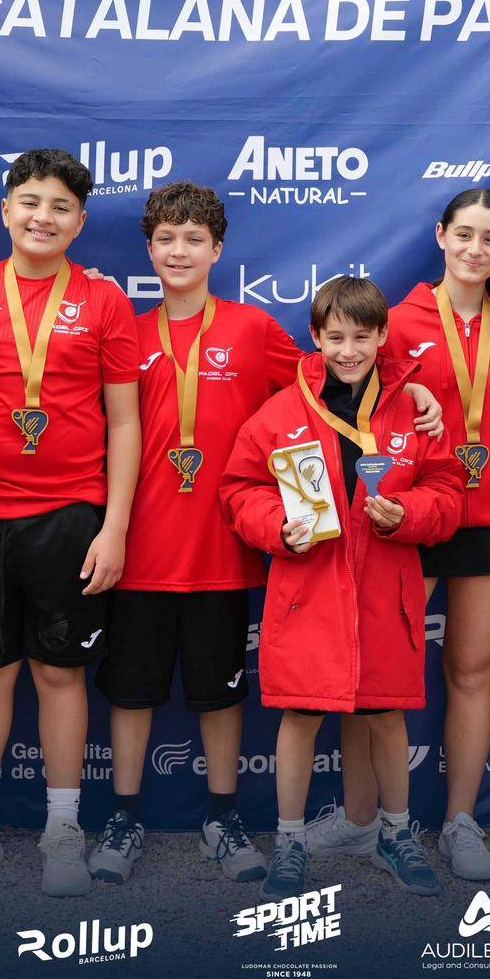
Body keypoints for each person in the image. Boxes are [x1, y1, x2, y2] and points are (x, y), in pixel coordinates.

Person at [87, 184, 444, 887]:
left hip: (224, 556)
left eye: (195, 239)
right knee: (130, 692)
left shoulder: (253, 330)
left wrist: (415, 389)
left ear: (218, 249)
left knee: (222, 696)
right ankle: (124, 816)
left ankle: (224, 819)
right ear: (149, 249)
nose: (180, 252)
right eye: (166, 239)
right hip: (137, 550)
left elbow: (328, 385)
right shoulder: (124, 327)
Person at [0, 149, 142, 898]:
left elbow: (125, 421)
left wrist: (114, 526)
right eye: (30, 202)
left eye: (60, 207)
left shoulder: (104, 301)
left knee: (59, 672)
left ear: (80, 222)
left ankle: (62, 831)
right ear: (4, 209)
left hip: (70, 514)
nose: (42, 217)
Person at [221, 277, 464, 902]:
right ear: (315, 337)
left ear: (383, 336)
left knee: (385, 715)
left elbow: (448, 491)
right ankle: (291, 841)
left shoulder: (415, 409)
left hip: (386, 592)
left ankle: (396, 833)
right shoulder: (284, 410)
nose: (348, 350)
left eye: (361, 336)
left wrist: (408, 514)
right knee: (301, 715)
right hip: (308, 591)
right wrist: (277, 526)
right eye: (335, 338)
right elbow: (239, 489)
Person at [322, 188, 490, 882]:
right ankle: (362, 819)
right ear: (441, 235)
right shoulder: (396, 319)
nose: (475, 249)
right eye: (463, 234)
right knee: (373, 671)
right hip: (405, 514)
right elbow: (342, 387)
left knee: (471, 670)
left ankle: (460, 822)